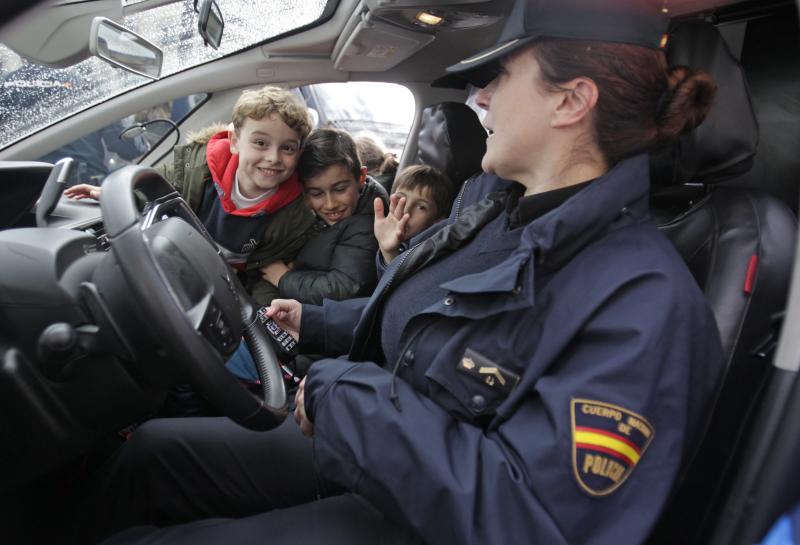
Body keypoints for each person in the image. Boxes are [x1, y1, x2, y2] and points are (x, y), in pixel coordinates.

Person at [84, 1, 725, 544]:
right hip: (385, 442)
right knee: (152, 454)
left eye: (498, 77)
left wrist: (347, 399)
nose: (479, 97)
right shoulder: (501, 213)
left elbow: (533, 519)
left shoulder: (644, 302)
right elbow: (440, 317)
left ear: (571, 100)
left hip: (419, 512)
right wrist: (319, 322)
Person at [65, 85, 316, 305]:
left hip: (224, 288)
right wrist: (118, 195)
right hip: (172, 265)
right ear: (234, 141)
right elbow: (154, 188)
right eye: (260, 143)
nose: (273, 157)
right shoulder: (196, 167)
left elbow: (265, 271)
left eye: (287, 148)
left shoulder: (295, 214)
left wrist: (258, 312)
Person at [225, 128, 388, 382]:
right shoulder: (313, 215)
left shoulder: (367, 224)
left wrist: (284, 278)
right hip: (281, 319)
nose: (330, 204)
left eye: (339, 188)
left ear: (361, 178)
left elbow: (346, 287)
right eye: (316, 193)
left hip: (309, 349)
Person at [374, 163, 454, 265]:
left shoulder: (433, 255)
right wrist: (388, 253)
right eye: (400, 199)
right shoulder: (384, 236)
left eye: (421, 207)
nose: (406, 211)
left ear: (438, 220)